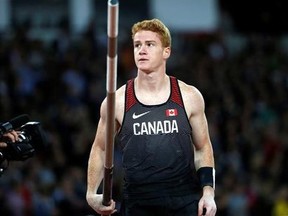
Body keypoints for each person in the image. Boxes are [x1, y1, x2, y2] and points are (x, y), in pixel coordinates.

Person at [86, 18, 217, 216]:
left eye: (150, 44)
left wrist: (208, 192)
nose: (142, 50)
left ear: (166, 51)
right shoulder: (118, 101)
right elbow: (100, 147)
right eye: (137, 45)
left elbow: (203, 147)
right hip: (138, 204)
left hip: (184, 201)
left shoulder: (189, 96)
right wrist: (90, 194)